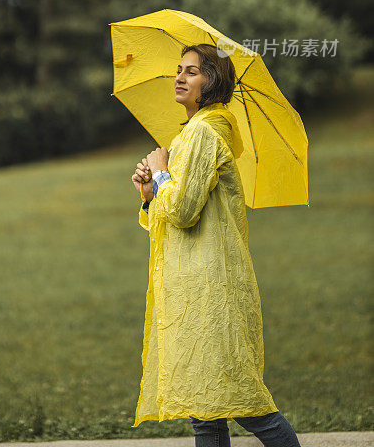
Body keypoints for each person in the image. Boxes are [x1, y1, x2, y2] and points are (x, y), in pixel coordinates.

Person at [130, 44, 302, 447]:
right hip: (189, 285)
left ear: (212, 81)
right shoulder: (188, 135)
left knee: (245, 402)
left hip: (211, 288)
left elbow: (186, 210)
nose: (179, 77)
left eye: (192, 71)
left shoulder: (205, 133)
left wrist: (160, 175)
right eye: (179, 69)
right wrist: (148, 191)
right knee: (203, 411)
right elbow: (168, 216)